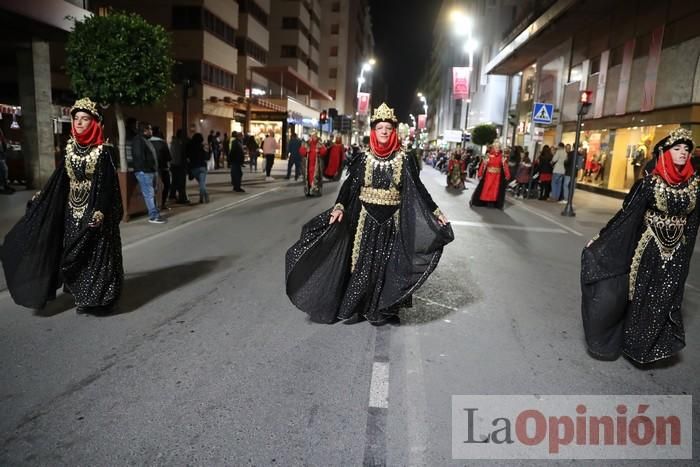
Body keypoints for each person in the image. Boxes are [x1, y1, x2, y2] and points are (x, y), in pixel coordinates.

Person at [285, 103, 453, 325]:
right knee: (362, 267)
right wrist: (339, 206)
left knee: (388, 266)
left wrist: (435, 211)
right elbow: (348, 188)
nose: (384, 131)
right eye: (380, 127)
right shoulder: (363, 158)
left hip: (393, 221)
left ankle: (384, 310)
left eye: (388, 128)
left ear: (394, 131)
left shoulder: (404, 159)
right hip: (366, 220)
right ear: (373, 131)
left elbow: (418, 188)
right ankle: (361, 307)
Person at [581, 128, 699, 364]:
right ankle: (632, 344)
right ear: (664, 153)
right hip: (648, 249)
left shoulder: (694, 186)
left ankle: (650, 346)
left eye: (687, 149)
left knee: (664, 298)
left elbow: (693, 222)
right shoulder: (649, 184)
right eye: (677, 149)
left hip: (676, 252)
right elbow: (626, 215)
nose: (683, 153)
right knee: (643, 295)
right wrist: (602, 237)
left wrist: (685, 254)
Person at [1, 98, 123, 314]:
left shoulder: (103, 152)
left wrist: (101, 211)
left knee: (94, 253)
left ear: (93, 123)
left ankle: (99, 299)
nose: (79, 123)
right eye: (76, 118)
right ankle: (82, 295)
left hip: (93, 211)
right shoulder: (69, 150)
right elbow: (61, 179)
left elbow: (106, 186)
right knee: (73, 252)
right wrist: (44, 195)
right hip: (71, 211)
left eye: (85, 119)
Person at [132, 121, 166, 223]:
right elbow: (139, 157)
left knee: (151, 194)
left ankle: (155, 213)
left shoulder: (145, 140)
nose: (152, 131)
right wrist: (148, 168)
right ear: (145, 130)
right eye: (150, 129)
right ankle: (154, 216)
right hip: (145, 172)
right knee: (149, 194)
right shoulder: (138, 140)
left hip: (150, 171)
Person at [470, 142, 511, 209]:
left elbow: (505, 166)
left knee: (495, 190)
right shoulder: (488, 155)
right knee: (487, 188)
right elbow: (483, 165)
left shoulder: (502, 157)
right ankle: (485, 201)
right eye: (496, 147)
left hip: (497, 176)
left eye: (498, 147)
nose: (497, 148)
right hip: (488, 175)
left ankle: (492, 202)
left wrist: (507, 175)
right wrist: (480, 174)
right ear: (493, 147)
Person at [299, 131, 327, 196]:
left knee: (316, 177)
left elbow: (324, 151)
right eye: (312, 136)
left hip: (317, 164)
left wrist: (319, 151)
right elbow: (301, 151)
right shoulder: (306, 143)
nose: (313, 137)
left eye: (315, 136)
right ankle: (308, 191)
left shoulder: (320, 144)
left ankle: (315, 190)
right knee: (308, 177)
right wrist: (306, 151)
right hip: (308, 164)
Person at [150, 127, 171, 210]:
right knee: (166, 185)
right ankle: (162, 203)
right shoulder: (162, 143)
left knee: (153, 187)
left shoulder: (147, 142)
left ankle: (153, 205)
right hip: (163, 167)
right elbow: (168, 157)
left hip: (151, 168)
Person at [187, 133, 210, 203]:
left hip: (194, 168)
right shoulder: (202, 147)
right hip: (202, 167)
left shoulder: (190, 147)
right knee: (202, 184)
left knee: (201, 183)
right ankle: (204, 196)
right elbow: (207, 157)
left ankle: (202, 198)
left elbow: (188, 157)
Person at [169, 129, 190, 204]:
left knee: (175, 180)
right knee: (181, 181)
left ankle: (172, 195)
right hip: (178, 164)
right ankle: (182, 197)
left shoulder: (173, 142)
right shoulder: (180, 143)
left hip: (173, 164)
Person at [0, 129, 14, 194]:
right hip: (0, 158)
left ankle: (5, 185)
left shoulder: (2, 140)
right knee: (3, 170)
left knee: (5, 171)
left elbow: (4, 147)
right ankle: (2, 186)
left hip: (2, 157)